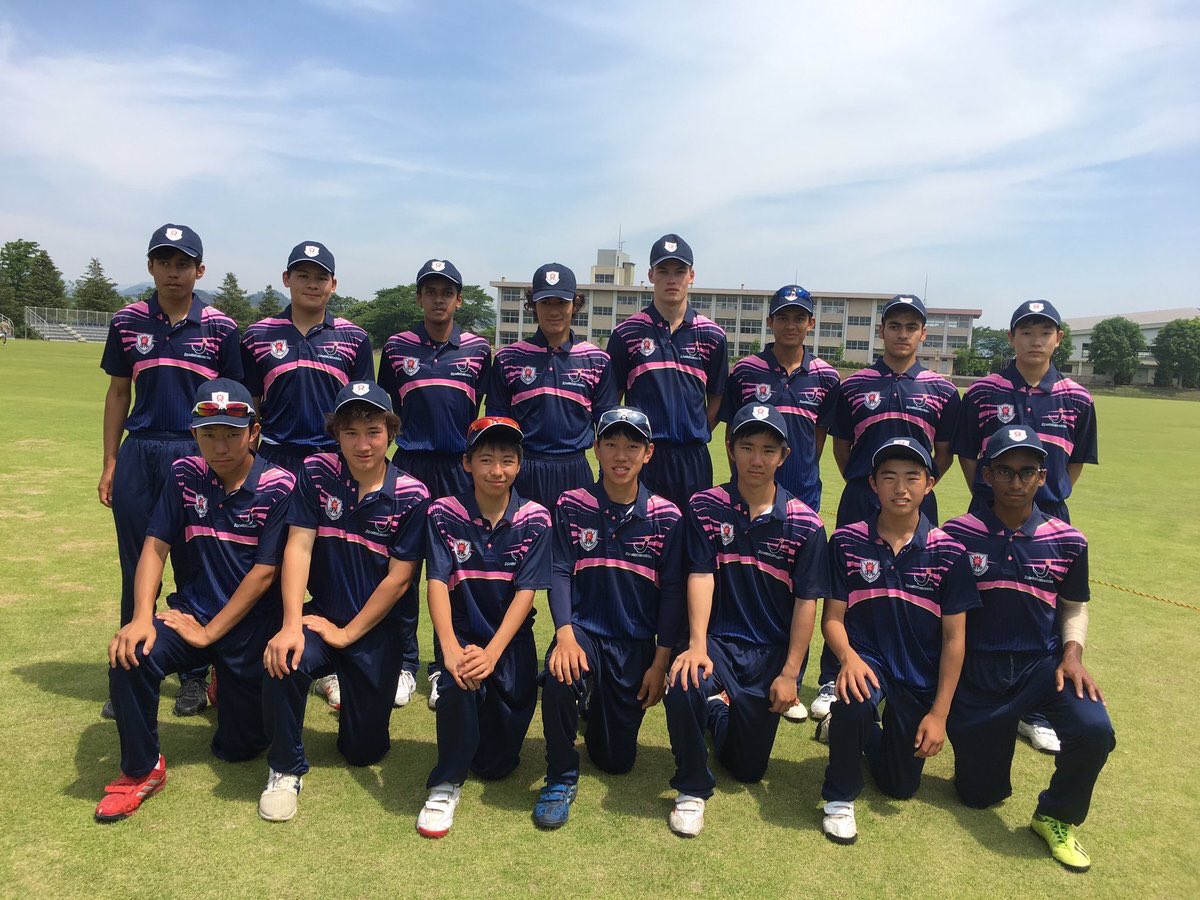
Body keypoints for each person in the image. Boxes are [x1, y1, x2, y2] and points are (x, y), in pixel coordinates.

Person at [96, 379, 294, 822]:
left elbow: (264, 573)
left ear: (254, 432)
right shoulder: (184, 473)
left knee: (239, 748)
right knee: (130, 654)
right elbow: (154, 546)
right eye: (209, 434)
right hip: (193, 614)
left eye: (231, 434)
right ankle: (141, 770)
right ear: (194, 434)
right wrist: (141, 617)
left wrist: (211, 635)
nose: (220, 446)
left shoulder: (280, 485)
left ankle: (225, 680)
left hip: (249, 629)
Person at [943, 426, 1114, 872]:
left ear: (1042, 477)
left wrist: (1073, 654)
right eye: (1005, 471)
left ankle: (1055, 814)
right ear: (987, 475)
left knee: (1094, 729)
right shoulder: (956, 534)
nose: (1015, 482)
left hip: (1043, 667)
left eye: (1026, 472)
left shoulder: (1068, 539)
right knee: (978, 796)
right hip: (978, 674)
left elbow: (1073, 606)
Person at [258, 381, 428, 823]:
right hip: (323, 616)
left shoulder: (412, 494)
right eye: (350, 432)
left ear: (391, 432)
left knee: (363, 752)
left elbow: (399, 580)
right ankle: (285, 768)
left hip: (376, 633)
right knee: (285, 656)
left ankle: (346, 687)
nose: (362, 444)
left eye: (373, 431)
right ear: (336, 433)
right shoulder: (317, 472)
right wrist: (291, 624)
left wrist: (348, 634)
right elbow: (299, 546)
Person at [663, 403, 828, 837]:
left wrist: (791, 673)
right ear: (730, 448)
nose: (757, 459)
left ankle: (718, 710)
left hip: (769, 653)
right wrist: (696, 645)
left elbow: (806, 603)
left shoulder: (807, 525)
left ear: (784, 457)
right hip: (717, 642)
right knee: (684, 680)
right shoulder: (704, 506)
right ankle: (691, 788)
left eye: (768, 450)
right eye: (747, 447)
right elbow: (700, 574)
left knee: (747, 769)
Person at [98, 224, 243, 719]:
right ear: (150, 267)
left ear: (199, 270)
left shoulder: (221, 328)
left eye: (183, 263)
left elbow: (237, 405)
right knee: (137, 564)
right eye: (164, 262)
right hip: (140, 451)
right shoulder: (127, 321)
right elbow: (119, 393)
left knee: (196, 565)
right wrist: (111, 462)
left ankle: (195, 675)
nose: (173, 272)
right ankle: (132, 667)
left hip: (197, 453)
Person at [953, 300, 1099, 753]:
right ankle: (967, 691)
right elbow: (968, 455)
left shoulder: (1078, 398)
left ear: (1058, 339)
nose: (1036, 341)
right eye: (1026, 332)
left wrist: (1042, 497)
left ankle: (1035, 710)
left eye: (1045, 332)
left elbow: (1074, 462)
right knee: (976, 601)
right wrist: (993, 496)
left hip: (1048, 516)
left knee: (1045, 608)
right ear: (1012, 337)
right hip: (987, 513)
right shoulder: (983, 392)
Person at [817, 437, 979, 844]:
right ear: (873, 483)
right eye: (889, 477)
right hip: (867, 660)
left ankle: (855, 734)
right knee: (853, 699)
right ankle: (839, 797)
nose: (900, 488)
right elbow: (832, 618)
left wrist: (939, 714)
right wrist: (848, 657)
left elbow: (955, 639)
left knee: (899, 786)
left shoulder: (950, 552)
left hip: (917, 674)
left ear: (930, 484)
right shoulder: (847, 541)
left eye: (912, 477)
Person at [811, 294, 961, 724]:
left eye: (911, 327)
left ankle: (910, 674)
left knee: (913, 587)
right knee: (848, 585)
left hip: (915, 500)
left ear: (923, 334)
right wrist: (867, 482)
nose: (902, 334)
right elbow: (842, 447)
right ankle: (833, 675)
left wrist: (915, 489)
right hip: (863, 493)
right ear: (882, 331)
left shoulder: (942, 390)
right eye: (894, 326)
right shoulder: (853, 385)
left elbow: (944, 453)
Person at [241, 241, 377, 710]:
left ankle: (329, 665)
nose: (312, 283)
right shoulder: (257, 335)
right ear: (287, 279)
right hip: (276, 459)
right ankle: (252, 660)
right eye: (303, 274)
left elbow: (361, 410)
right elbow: (250, 407)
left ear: (333, 284)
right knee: (270, 561)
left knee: (330, 564)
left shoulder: (354, 338)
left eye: (321, 276)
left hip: (332, 463)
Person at [535, 406, 684, 829]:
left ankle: (594, 703)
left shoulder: (667, 516)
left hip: (634, 643)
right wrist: (564, 634)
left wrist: (660, 663)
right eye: (611, 444)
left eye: (632, 446)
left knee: (616, 761)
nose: (621, 455)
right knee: (560, 672)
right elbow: (559, 570)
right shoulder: (571, 504)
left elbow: (673, 594)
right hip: (583, 632)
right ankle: (560, 775)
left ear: (648, 453)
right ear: (596, 449)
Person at [417, 416, 552, 838]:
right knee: (458, 681)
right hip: (461, 637)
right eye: (486, 459)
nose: (497, 470)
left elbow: (526, 594)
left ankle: (477, 713)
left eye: (507, 460)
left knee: (496, 766)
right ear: (467, 463)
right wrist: (449, 649)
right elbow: (436, 583)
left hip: (509, 645)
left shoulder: (536, 518)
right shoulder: (443, 513)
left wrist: (492, 654)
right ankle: (445, 783)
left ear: (519, 465)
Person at [378, 258, 492, 709]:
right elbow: (386, 413)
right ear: (419, 297)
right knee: (403, 570)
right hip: (410, 466)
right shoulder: (396, 347)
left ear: (459, 299)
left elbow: (486, 414)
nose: (439, 299)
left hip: (459, 471)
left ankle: (448, 663)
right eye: (431, 291)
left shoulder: (478, 349)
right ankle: (404, 664)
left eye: (447, 292)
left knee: (456, 571)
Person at [723, 284, 840, 721]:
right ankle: (730, 675)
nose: (791, 324)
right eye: (783, 316)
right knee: (745, 583)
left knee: (798, 592)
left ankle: (791, 680)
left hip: (801, 499)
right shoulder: (745, 371)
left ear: (811, 323)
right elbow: (733, 434)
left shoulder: (826, 377)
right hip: (748, 498)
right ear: (770, 321)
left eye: (799, 317)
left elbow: (818, 438)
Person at [606, 234, 727, 510]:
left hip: (692, 459)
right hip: (642, 456)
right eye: (663, 271)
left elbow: (717, 397)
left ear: (691, 275)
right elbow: (613, 399)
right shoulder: (627, 333)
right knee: (639, 531)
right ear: (651, 275)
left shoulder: (712, 335)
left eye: (679, 271)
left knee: (691, 533)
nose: (671, 279)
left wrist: (695, 429)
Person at [487, 263, 617, 509]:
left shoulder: (597, 360)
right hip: (524, 469)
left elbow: (607, 430)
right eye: (545, 302)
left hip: (575, 470)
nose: (554, 311)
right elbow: (496, 429)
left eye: (561, 302)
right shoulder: (509, 358)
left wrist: (606, 480)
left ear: (575, 305)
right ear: (533, 305)